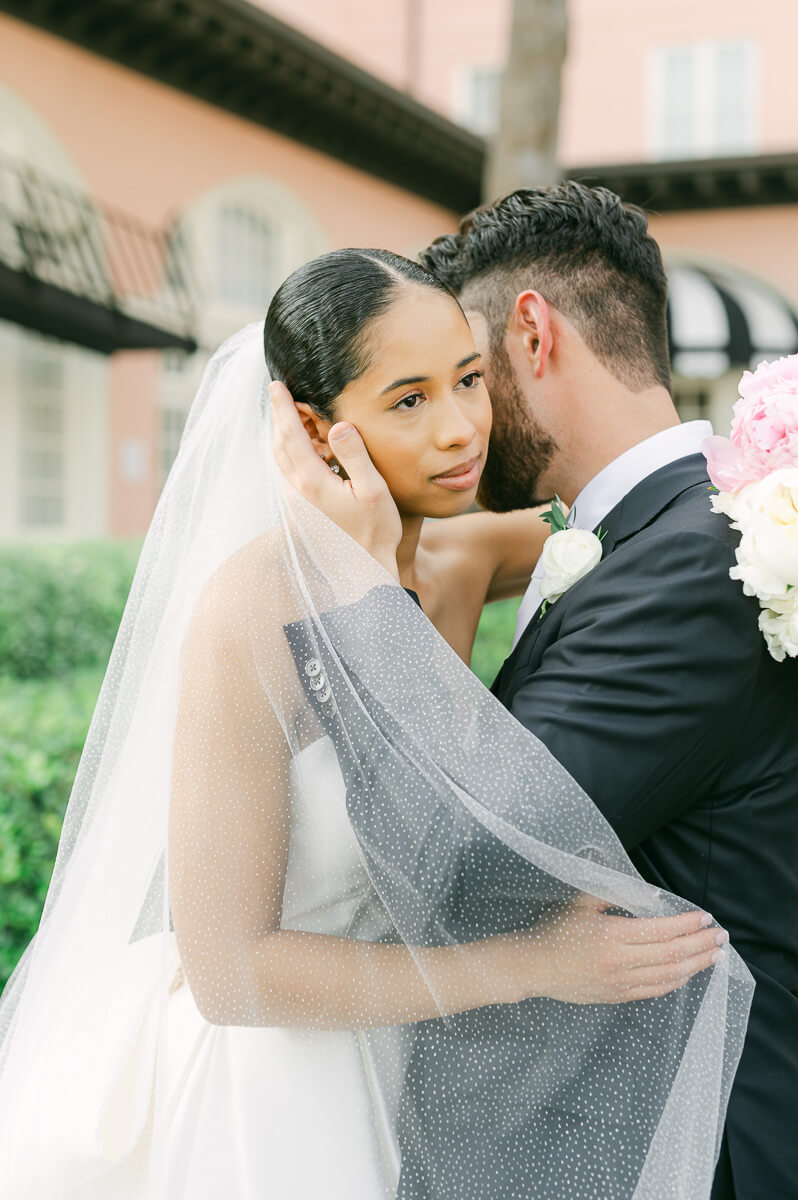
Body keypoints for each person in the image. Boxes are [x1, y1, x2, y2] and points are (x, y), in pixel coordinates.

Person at [0, 248, 745, 1200]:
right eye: (408, 401)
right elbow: (229, 975)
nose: (460, 430)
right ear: (313, 429)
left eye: (469, 380)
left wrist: (772, 490)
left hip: (424, 1057)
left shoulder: (463, 549)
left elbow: (653, 510)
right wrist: (535, 964)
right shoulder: (250, 614)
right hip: (276, 1082)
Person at [277, 187, 798, 1200]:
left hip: (719, 1148)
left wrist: (365, 593)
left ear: (532, 332)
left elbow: (461, 871)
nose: (463, 420)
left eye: (470, 374)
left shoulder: (688, 576)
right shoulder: (671, 535)